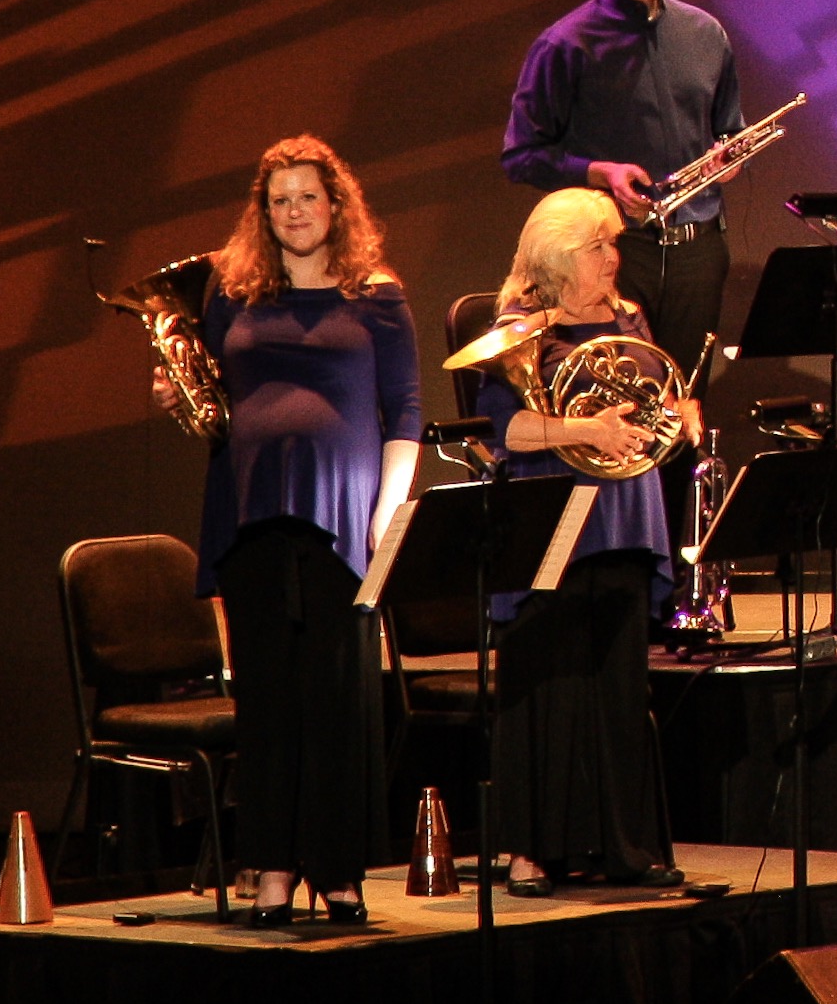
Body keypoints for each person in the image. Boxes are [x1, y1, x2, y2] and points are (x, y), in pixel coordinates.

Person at [192, 135, 420, 926]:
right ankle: (273, 869)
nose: (294, 211)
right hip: (251, 512)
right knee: (267, 701)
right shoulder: (232, 295)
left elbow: (406, 410)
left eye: (307, 197)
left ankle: (338, 869)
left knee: (336, 699)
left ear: (335, 205)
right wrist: (175, 394)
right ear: (264, 212)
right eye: (279, 200)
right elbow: (211, 397)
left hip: (345, 521)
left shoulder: (377, 295)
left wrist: (387, 513)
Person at [453, 188, 699, 893]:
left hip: (624, 513)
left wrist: (679, 412)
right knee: (545, 686)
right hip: (551, 518)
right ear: (559, 257)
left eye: (613, 243)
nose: (612, 257)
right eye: (598, 246)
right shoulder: (521, 325)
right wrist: (586, 429)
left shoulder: (629, 316)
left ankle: (625, 847)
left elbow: (653, 393)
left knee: (618, 686)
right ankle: (531, 849)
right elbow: (505, 429)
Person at [500, 0, 755, 260]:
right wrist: (602, 173)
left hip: (701, 249)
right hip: (610, 253)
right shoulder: (564, 45)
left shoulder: (706, 32)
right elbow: (522, 157)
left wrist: (730, 160)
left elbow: (730, 132)